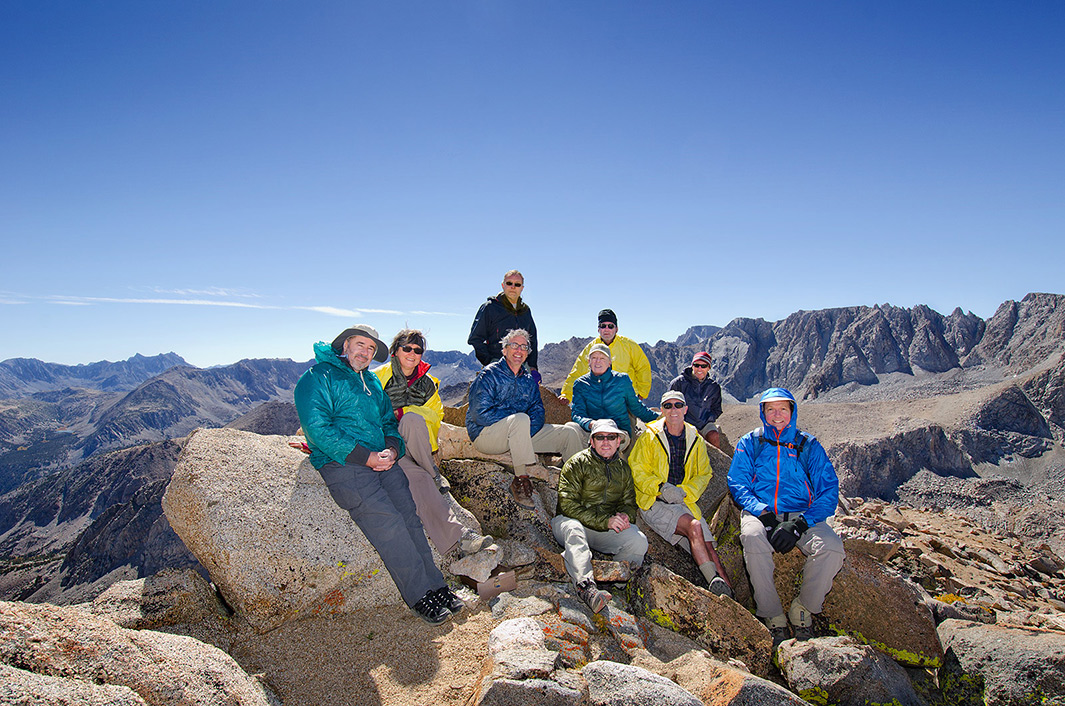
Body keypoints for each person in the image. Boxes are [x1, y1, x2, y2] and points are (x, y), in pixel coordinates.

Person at [293, 324, 460, 626]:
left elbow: (387, 422)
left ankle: (437, 585)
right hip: (344, 464)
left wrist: (393, 450)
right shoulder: (317, 378)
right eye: (360, 344)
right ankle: (419, 594)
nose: (365, 352)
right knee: (389, 523)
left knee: (409, 515)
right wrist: (365, 457)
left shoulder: (369, 380)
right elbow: (319, 429)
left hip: (383, 460)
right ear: (344, 345)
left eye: (371, 348)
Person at [727, 388, 845, 648]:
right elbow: (738, 483)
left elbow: (828, 490)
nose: (777, 415)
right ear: (763, 413)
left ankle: (803, 607)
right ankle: (772, 614)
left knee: (832, 549)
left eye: (783, 409)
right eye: (770, 409)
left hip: (803, 515)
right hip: (762, 511)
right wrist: (764, 514)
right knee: (752, 537)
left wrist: (801, 524)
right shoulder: (751, 442)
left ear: (792, 411)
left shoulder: (808, 445)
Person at [375, 329, 492, 557]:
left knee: (413, 420)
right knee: (419, 479)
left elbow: (435, 416)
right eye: (406, 348)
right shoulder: (379, 377)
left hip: (415, 443)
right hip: (386, 444)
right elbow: (366, 412)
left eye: (417, 350)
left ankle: (431, 471)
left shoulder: (428, 383)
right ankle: (459, 538)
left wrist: (403, 411)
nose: (412, 353)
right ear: (395, 350)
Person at [629, 391, 733, 598]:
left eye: (678, 405)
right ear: (661, 410)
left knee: (711, 547)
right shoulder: (650, 436)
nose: (673, 410)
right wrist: (661, 488)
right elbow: (637, 469)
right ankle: (713, 580)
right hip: (655, 501)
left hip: (683, 500)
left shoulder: (694, 437)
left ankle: (729, 598)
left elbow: (705, 473)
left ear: (685, 409)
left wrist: (686, 492)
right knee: (694, 527)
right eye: (668, 406)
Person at [465, 328, 583, 509]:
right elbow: (479, 414)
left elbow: (538, 411)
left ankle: (577, 485)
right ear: (504, 350)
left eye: (524, 347)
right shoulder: (489, 375)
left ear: (528, 353)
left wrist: (522, 432)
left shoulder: (528, 381)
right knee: (520, 419)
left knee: (569, 433)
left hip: (521, 432)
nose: (519, 350)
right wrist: (516, 423)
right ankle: (520, 481)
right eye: (514, 345)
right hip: (487, 435)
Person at [552, 419, 648, 613]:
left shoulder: (623, 469)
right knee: (574, 529)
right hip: (569, 522)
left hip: (602, 529)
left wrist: (625, 516)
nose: (606, 442)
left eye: (611, 437)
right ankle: (585, 586)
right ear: (592, 441)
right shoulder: (576, 463)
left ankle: (617, 583)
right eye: (600, 437)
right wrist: (605, 521)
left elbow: (629, 502)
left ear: (619, 441)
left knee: (638, 540)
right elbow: (567, 505)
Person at [568, 343, 657, 446]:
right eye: (594, 358)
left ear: (609, 362)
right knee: (571, 427)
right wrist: (590, 424)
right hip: (592, 432)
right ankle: (579, 461)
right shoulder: (581, 384)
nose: (598, 361)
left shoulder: (622, 380)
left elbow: (637, 408)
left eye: (602, 358)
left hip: (618, 432)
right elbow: (577, 414)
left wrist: (661, 418)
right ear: (589, 361)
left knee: (610, 442)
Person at [561, 309, 651, 402]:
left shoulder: (629, 345)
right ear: (598, 329)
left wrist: (641, 394)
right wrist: (566, 395)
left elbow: (643, 368)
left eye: (610, 326)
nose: (606, 329)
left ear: (616, 329)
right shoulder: (591, 348)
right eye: (603, 326)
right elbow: (577, 372)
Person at [468, 269, 539, 375]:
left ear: (522, 288)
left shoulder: (525, 311)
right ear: (503, 285)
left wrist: (533, 366)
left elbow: (532, 340)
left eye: (517, 284)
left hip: (521, 366)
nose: (513, 287)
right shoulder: (490, 307)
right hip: (497, 365)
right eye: (509, 283)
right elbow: (475, 339)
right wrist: (490, 362)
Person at [669, 351, 723, 449]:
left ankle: (715, 463)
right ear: (692, 365)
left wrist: (707, 419)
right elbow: (669, 405)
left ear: (709, 368)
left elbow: (717, 409)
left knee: (714, 437)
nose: (699, 369)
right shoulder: (679, 383)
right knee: (695, 440)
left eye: (703, 366)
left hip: (704, 423)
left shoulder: (714, 387)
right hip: (683, 423)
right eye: (696, 365)